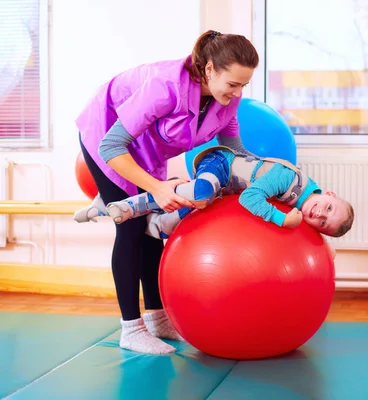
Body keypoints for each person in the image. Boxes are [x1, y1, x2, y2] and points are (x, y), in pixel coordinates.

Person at [75, 29, 259, 355]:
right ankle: (131, 329)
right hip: (107, 136)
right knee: (131, 228)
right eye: (233, 84)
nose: (237, 93)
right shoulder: (165, 87)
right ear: (210, 69)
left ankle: (158, 318)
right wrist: (157, 188)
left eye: (244, 85)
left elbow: (234, 150)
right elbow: (112, 145)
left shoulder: (228, 100)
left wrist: (265, 176)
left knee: (151, 229)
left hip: (147, 151)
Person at [77, 146, 355, 242]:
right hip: (220, 165)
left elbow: (316, 225)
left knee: (169, 227)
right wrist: (281, 221)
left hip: (222, 193)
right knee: (200, 193)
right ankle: (129, 206)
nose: (319, 214)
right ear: (328, 193)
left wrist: (326, 248)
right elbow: (249, 199)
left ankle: (106, 206)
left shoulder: (305, 201)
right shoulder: (289, 180)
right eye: (328, 209)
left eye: (322, 224)